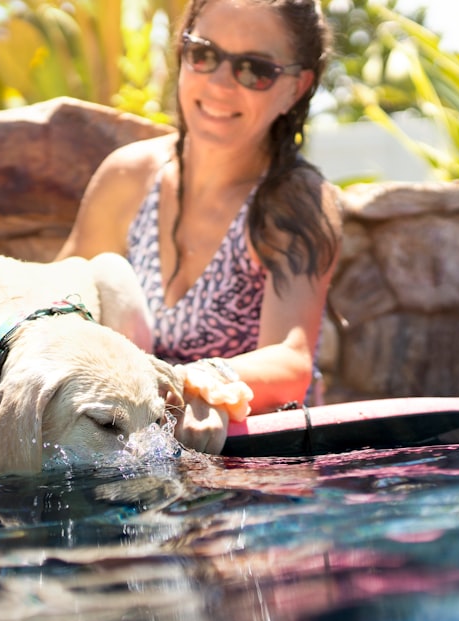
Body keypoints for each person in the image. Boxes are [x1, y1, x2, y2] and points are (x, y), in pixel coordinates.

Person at [56, 0, 342, 454]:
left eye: (255, 69)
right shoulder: (127, 178)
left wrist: (204, 378)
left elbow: (292, 360)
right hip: (129, 455)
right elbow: (60, 307)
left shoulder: (295, 203)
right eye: (204, 54)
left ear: (296, 88)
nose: (220, 83)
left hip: (257, 467)